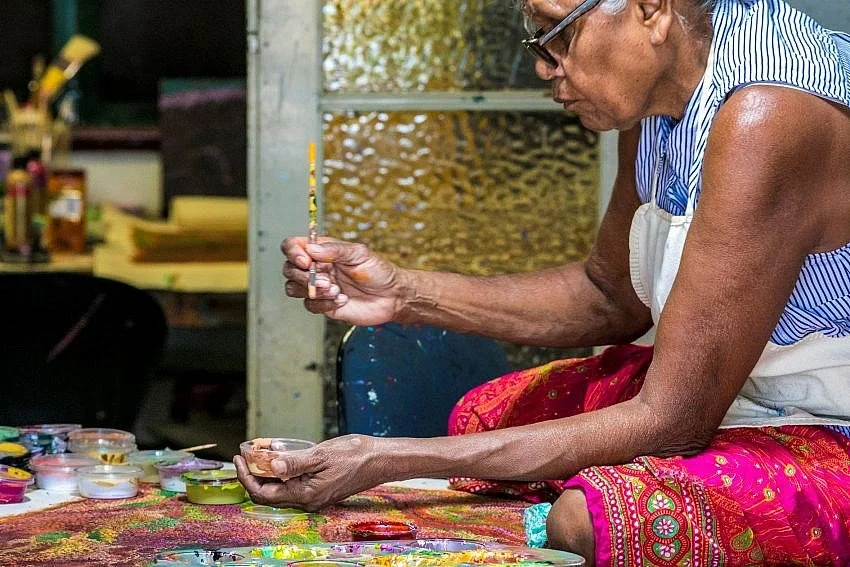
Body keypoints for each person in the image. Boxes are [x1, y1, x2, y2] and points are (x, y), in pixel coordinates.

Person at [234, 0, 850, 563]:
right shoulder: (659, 92)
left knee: (595, 519)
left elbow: (674, 419)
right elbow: (609, 295)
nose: (544, 68)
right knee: (483, 416)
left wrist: (385, 459)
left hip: (826, 418)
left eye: (558, 34)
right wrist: (402, 292)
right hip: (736, 392)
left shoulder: (770, 115)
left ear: (651, 9)